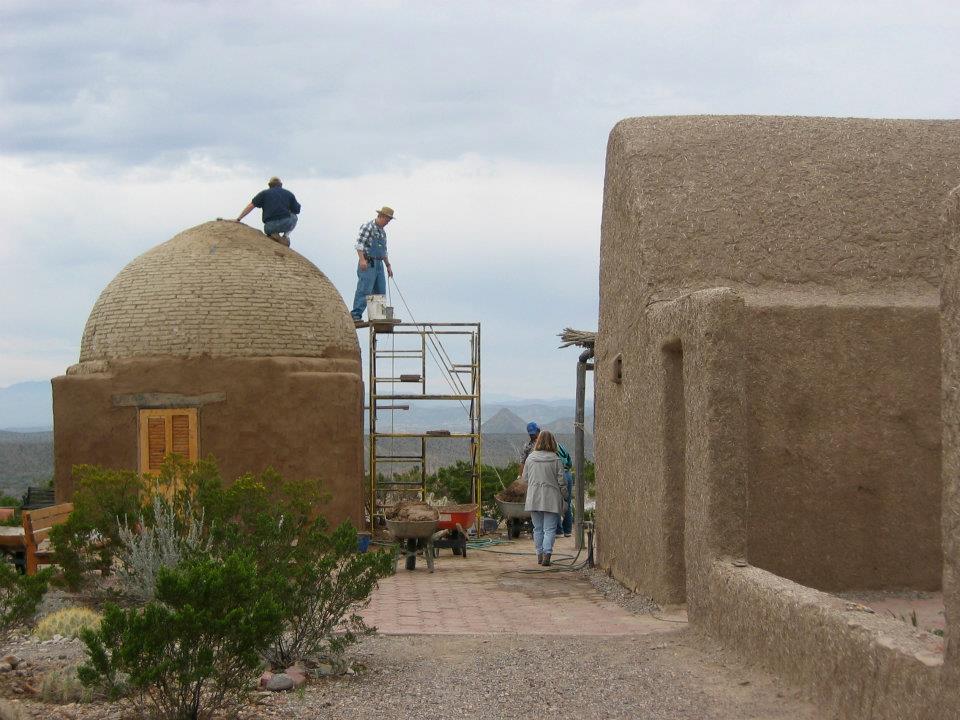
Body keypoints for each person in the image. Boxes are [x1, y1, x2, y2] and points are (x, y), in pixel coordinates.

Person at [522, 430, 568, 566]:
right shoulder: (556, 459)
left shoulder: (530, 459)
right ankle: (547, 554)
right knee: (549, 529)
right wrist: (565, 497)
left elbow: (525, 478)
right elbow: (562, 482)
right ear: (552, 442)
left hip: (534, 497)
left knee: (537, 528)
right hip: (551, 499)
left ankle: (539, 554)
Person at [351, 206, 395, 324]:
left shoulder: (382, 232)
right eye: (387, 220)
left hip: (379, 263)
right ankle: (356, 315)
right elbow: (359, 244)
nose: (387, 222)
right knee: (365, 289)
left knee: (380, 291)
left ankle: (379, 317)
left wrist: (388, 265)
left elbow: (384, 251)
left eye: (389, 221)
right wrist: (362, 260)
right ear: (381, 216)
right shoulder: (368, 227)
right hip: (368, 261)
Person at [236, 177, 301, 246]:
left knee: (272, 225)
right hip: (285, 224)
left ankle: (274, 234)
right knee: (294, 216)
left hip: (269, 227)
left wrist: (239, 219)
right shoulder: (289, 194)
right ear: (281, 185)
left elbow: (251, 206)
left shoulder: (264, 193)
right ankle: (285, 236)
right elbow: (297, 210)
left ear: (269, 185)